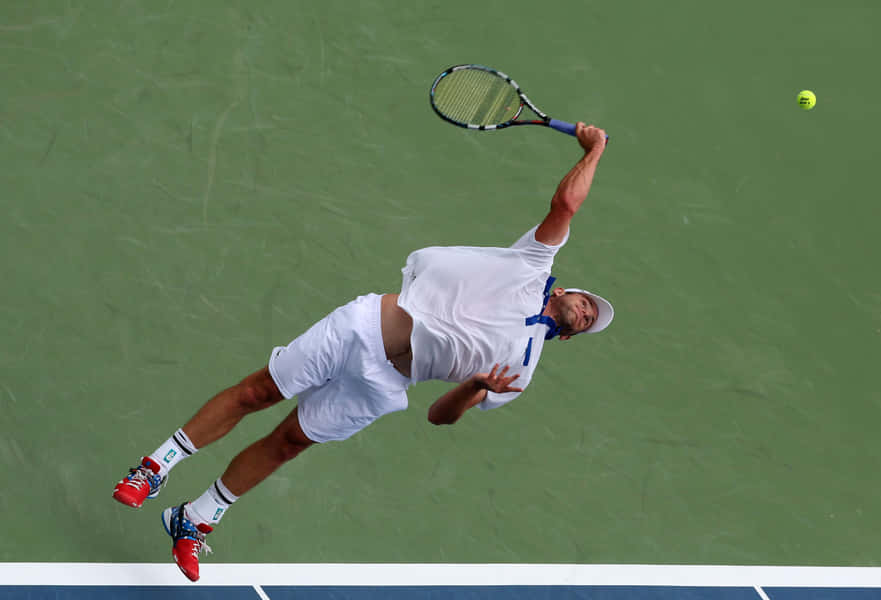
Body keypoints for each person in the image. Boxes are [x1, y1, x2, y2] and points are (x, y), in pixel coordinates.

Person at [112, 123, 613, 581]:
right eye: (587, 302)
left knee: (290, 441)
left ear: (569, 336)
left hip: (386, 386)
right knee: (257, 392)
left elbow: (440, 417)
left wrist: (477, 387)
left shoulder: (520, 371)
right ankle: (153, 469)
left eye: (590, 320)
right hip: (362, 328)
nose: (587, 312)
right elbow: (565, 205)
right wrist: (595, 149)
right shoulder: (531, 262)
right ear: (567, 290)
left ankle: (195, 520)